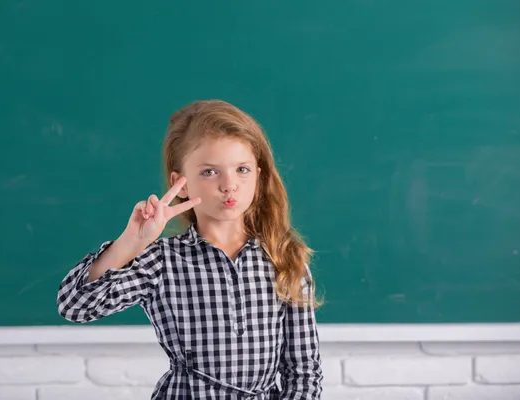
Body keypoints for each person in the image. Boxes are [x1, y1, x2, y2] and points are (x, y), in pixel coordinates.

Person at [57, 99, 323, 399]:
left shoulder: (284, 259)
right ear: (180, 184)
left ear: (258, 178)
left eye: (242, 169)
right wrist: (132, 242)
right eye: (210, 172)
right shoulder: (162, 261)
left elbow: (303, 371)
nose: (229, 185)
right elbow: (75, 306)